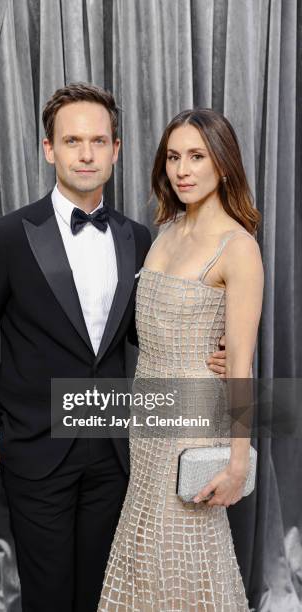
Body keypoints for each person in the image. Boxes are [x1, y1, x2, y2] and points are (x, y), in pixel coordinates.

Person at [0, 85, 226, 612]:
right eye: (72, 140)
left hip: (117, 452)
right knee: (49, 598)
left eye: (99, 141)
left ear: (116, 150)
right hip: (34, 448)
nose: (86, 153)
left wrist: (213, 349)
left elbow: (144, 332)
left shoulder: (140, 239)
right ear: (49, 149)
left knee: (107, 594)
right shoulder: (6, 238)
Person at [98, 108, 263, 611]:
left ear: (224, 166)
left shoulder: (239, 247)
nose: (182, 169)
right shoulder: (165, 231)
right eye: (173, 157)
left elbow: (239, 366)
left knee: (185, 550)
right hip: (147, 416)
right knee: (147, 549)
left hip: (193, 421)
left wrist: (237, 463)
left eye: (197, 156)